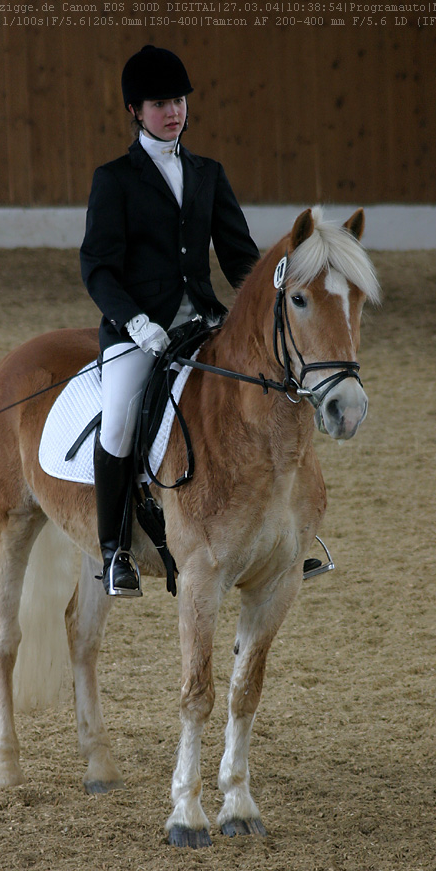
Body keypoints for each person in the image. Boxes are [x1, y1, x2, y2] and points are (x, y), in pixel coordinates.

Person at [80, 44, 261, 596]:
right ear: (136, 110)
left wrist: (266, 299)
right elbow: (97, 266)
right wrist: (134, 321)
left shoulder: (208, 172)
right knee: (118, 422)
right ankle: (115, 553)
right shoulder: (114, 179)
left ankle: (277, 535)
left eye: (179, 100)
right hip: (141, 331)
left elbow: (239, 257)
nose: (174, 111)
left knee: (269, 394)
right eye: (160, 103)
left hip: (205, 322)